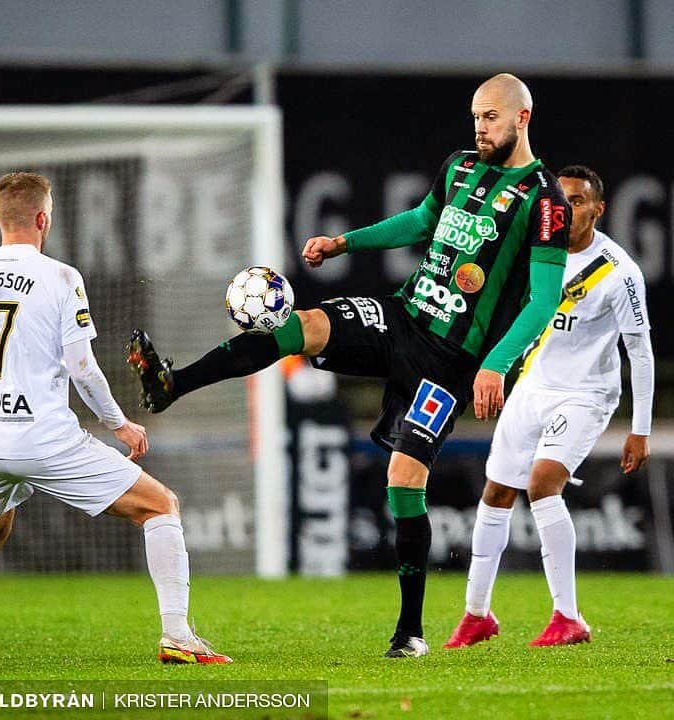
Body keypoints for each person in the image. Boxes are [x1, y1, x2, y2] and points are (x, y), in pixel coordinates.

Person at [128, 73, 570, 658]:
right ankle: (171, 384)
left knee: (403, 480)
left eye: (491, 117)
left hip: (452, 360)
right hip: (403, 316)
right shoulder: (460, 166)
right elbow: (418, 222)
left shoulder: (545, 201)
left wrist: (495, 365)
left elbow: (543, 298)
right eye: (475, 117)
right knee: (302, 327)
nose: (480, 128)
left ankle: (410, 633)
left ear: (523, 117)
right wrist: (344, 244)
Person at [0, 172, 230, 667]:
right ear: (43, 218)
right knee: (161, 506)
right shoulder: (62, 277)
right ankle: (178, 635)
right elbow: (81, 367)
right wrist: (119, 424)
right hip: (47, 440)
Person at [445, 165, 653, 649]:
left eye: (578, 201)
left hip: (586, 394)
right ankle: (477, 614)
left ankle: (568, 617)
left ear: (598, 210)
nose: (568, 208)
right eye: (562, 200)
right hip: (533, 386)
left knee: (541, 485)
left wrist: (639, 428)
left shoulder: (619, 273)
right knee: (495, 492)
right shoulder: (537, 255)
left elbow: (639, 352)